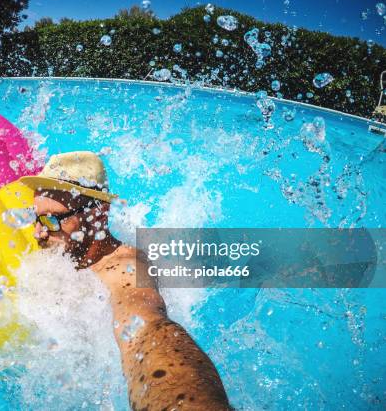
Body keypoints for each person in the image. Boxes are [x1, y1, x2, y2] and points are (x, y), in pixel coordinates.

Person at [20, 151, 230, 411]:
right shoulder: (60, 257)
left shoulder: (125, 269)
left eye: (52, 220)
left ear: (97, 214)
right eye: (35, 218)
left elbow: (147, 327)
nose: (38, 233)